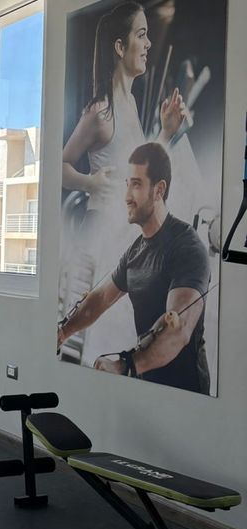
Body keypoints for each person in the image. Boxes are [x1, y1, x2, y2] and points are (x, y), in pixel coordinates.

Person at [57, 142, 210, 394]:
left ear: (159, 190)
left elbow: (178, 328)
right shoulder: (135, 251)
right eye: (127, 184)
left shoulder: (187, 247)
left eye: (136, 185)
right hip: (147, 384)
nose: (127, 196)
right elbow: (100, 299)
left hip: (188, 395)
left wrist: (125, 365)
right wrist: (62, 332)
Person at [62, 1, 186, 224]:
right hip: (101, 228)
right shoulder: (100, 112)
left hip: (124, 228)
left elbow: (142, 168)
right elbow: (60, 167)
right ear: (120, 48)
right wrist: (89, 183)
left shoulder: (131, 103)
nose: (148, 43)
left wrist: (166, 131)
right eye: (141, 35)